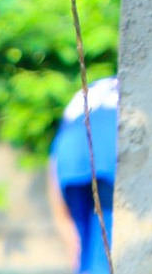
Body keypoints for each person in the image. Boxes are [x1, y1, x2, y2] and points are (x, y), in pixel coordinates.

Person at [47, 76, 117, 274]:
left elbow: (53, 166)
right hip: (112, 149)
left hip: (70, 154)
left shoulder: (93, 89)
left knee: (84, 249)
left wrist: (72, 249)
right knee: (111, 247)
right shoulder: (140, 86)